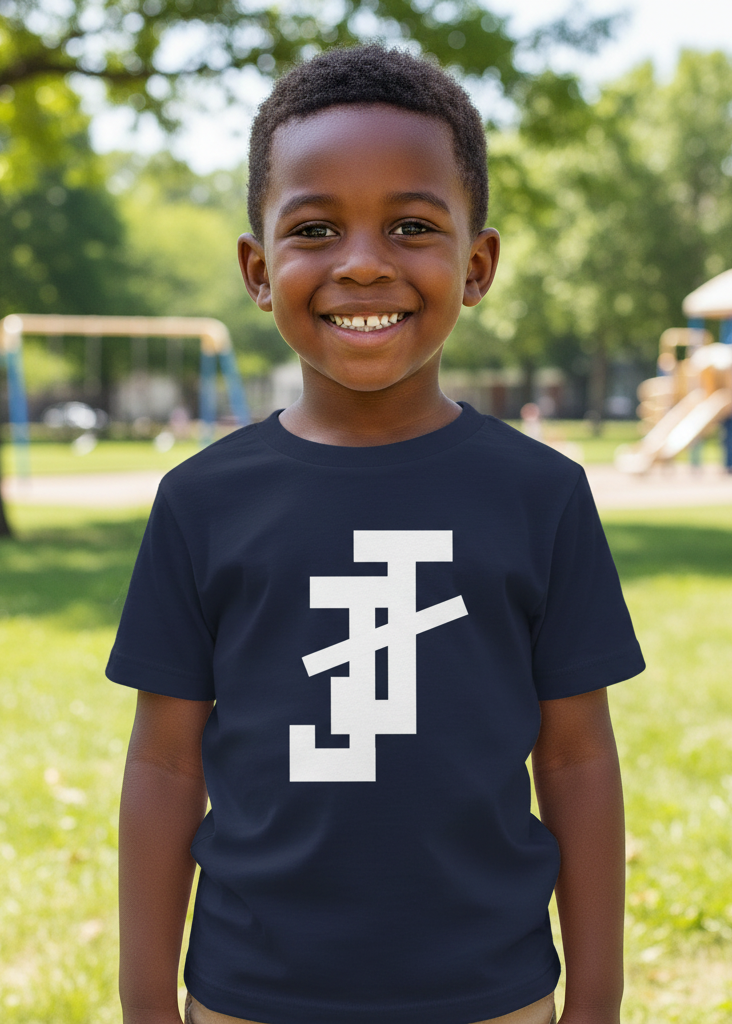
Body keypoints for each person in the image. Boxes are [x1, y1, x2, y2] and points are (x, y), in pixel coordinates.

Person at [108, 45, 645, 1024]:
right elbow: (164, 762)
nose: (362, 260)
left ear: (476, 264)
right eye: (316, 228)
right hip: (250, 995)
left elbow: (574, 757)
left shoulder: (544, 495)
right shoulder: (199, 501)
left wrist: (597, 999)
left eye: (411, 225)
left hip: (492, 995)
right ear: (258, 270)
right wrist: (146, 1003)